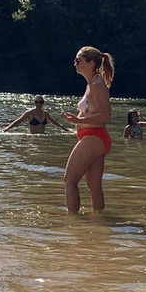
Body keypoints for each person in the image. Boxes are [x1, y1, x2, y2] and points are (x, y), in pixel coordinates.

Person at [61, 46, 114, 213]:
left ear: (91, 63)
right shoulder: (92, 83)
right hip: (96, 138)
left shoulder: (97, 84)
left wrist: (78, 119)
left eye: (79, 60)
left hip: (94, 137)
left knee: (69, 180)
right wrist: (77, 120)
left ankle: (72, 222)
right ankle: (99, 222)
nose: (75, 63)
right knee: (93, 184)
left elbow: (105, 114)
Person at [3, 95, 69, 133]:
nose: (38, 104)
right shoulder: (29, 113)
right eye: (36, 102)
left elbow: (53, 122)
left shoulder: (45, 113)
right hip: (33, 137)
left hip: (42, 136)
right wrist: (7, 128)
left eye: (40, 102)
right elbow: (18, 121)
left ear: (43, 103)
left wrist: (63, 128)